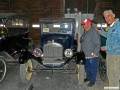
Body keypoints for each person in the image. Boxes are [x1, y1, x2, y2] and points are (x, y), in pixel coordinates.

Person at [98, 10, 120, 87]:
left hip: (116, 55)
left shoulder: (118, 26)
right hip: (110, 54)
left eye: (109, 16)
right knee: (110, 75)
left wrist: (107, 47)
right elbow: (108, 35)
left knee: (115, 76)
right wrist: (99, 31)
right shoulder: (112, 26)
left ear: (113, 15)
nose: (107, 19)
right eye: (105, 17)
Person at [80, 19, 100, 87]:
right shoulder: (85, 32)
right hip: (86, 54)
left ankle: (92, 80)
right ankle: (88, 77)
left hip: (92, 55)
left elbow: (98, 43)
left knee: (93, 68)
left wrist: (95, 52)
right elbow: (82, 41)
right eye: (83, 24)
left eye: (84, 24)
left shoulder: (93, 31)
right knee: (87, 67)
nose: (83, 26)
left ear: (89, 24)